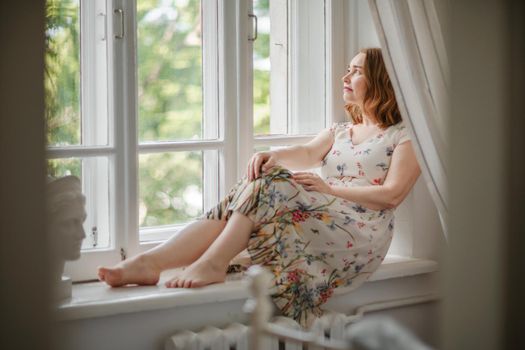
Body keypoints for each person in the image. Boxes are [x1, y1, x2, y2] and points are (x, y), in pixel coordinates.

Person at [98, 47, 421, 328]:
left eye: (356, 71)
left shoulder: (403, 134)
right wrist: (273, 155)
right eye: (346, 70)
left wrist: (330, 190)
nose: (345, 77)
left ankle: (208, 263)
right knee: (264, 179)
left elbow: (392, 194)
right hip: (325, 215)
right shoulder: (339, 131)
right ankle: (152, 262)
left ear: (381, 80)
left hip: (361, 231)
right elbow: (307, 154)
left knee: (273, 185)